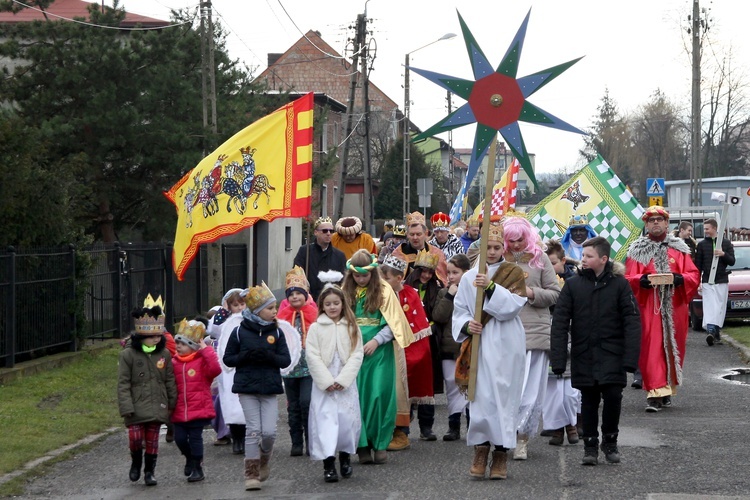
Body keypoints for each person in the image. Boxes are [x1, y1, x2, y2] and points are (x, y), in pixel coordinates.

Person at [551, 237, 641, 465]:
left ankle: (610, 442)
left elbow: (632, 320)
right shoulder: (573, 285)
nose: (583, 260)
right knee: (588, 400)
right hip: (584, 353)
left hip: (613, 353)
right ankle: (590, 446)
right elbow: (560, 322)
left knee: (613, 397)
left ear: (603, 259)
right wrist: (558, 359)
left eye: (588, 256)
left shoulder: (620, 285)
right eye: (582, 255)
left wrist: (631, 359)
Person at [452, 223, 528, 480]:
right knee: (481, 398)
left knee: (504, 397)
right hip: (481, 342)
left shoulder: (513, 272)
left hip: (506, 340)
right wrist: (466, 324)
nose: (493, 252)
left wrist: (492, 288)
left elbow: (515, 305)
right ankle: (480, 450)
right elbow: (459, 309)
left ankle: (501, 454)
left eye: (497, 247)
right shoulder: (467, 277)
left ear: (503, 248)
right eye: (488, 247)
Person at [341, 250, 413, 465]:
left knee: (379, 397)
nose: (361, 280)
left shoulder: (384, 291)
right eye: (357, 276)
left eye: (365, 275)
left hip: (379, 353)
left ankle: (380, 443)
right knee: (358, 398)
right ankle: (362, 445)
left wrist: (376, 341)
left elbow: (394, 324)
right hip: (353, 351)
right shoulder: (345, 290)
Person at [625, 206, 700, 412]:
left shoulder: (680, 249)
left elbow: (693, 275)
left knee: (673, 346)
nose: (656, 223)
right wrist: (641, 281)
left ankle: (667, 389)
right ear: (646, 225)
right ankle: (654, 392)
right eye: (651, 220)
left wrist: (679, 279)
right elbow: (628, 278)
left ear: (667, 223)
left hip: (675, 306)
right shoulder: (637, 250)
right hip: (649, 307)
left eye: (659, 219)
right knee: (651, 346)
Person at [223, 282, 292, 491]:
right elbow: (228, 359)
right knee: (253, 430)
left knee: (269, 432)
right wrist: (245, 356)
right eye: (270, 308)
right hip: (247, 388)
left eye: (274, 308)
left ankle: (263, 459)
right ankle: (251, 474)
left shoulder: (277, 332)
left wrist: (270, 356)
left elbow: (285, 360)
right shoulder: (238, 332)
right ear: (257, 310)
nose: (274, 311)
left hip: (269, 388)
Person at [502, 216, 560, 461]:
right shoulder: (497, 257)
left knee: (529, 391)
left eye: (520, 240)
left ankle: (522, 438)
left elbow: (556, 293)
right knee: (506, 388)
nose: (516, 245)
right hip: (503, 332)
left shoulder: (540, 258)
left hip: (534, 334)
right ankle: (504, 436)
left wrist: (529, 293)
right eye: (511, 240)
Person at [306, 283, 364, 483]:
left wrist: (343, 379)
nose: (332, 307)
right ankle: (328, 464)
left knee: (346, 421)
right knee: (325, 421)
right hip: (325, 383)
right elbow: (312, 356)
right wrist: (326, 380)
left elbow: (357, 354)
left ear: (342, 304)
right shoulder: (315, 328)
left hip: (345, 382)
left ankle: (345, 457)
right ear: (322, 305)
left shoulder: (352, 326)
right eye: (328, 304)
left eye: (336, 303)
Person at [118, 302, 177, 487]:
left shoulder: (165, 354)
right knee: (135, 438)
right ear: (141, 336)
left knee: (152, 440)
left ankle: (149, 471)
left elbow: (169, 379)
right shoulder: (128, 355)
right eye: (152, 337)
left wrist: (171, 402)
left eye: (159, 336)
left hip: (158, 403)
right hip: (136, 405)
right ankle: (136, 462)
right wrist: (126, 406)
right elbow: (123, 383)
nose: (156, 340)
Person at [380, 254, 434, 450]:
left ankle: (401, 433)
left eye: (386, 278)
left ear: (398, 278)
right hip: (382, 349)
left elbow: (416, 326)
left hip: (403, 351)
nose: (382, 282)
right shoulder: (379, 293)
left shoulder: (409, 294)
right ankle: (383, 431)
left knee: (401, 391)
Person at [171, 319, 222, 482]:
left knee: (195, 439)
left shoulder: (201, 362)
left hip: (198, 409)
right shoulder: (173, 363)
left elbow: (215, 369)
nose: (178, 346)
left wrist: (206, 350)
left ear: (193, 346)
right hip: (179, 410)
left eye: (183, 344)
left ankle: (198, 467)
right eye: (177, 342)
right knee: (179, 439)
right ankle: (190, 458)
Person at [542, 239, 581, 446]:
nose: (550, 267)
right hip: (549, 336)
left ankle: (573, 423)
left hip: (571, 336)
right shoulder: (542, 281)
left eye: (553, 263)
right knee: (552, 391)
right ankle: (558, 427)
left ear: (563, 261)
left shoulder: (575, 281)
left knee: (571, 392)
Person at [403, 249, 445, 440]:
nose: (426, 275)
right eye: (423, 271)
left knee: (427, 384)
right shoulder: (404, 290)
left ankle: (426, 427)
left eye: (430, 272)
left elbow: (438, 315)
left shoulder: (437, 289)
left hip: (429, 341)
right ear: (416, 271)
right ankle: (403, 426)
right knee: (405, 382)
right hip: (407, 340)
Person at [277, 266, 318, 456]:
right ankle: (296, 441)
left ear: (305, 294)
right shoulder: (282, 317)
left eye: (298, 293)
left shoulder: (314, 313)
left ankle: (311, 440)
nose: (294, 297)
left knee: (307, 402)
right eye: (291, 294)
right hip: (290, 368)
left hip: (309, 367)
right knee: (293, 405)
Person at [432, 253, 471, 441]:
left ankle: (472, 423)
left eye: (456, 272)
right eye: (449, 273)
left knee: (469, 384)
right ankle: (453, 424)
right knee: (451, 383)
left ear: (466, 272)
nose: (451, 276)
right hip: (449, 346)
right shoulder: (443, 292)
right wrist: (449, 295)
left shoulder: (473, 292)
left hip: (468, 345)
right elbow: (439, 316)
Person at [208, 289, 246, 452]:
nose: (239, 308)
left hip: (248, 366)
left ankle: (249, 436)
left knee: (249, 402)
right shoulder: (226, 321)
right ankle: (235, 437)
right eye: (235, 305)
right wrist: (223, 311)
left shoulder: (252, 318)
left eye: (242, 304)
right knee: (232, 404)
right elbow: (214, 330)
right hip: (230, 369)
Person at [695, 218, 735, 346]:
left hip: (721, 280)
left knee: (719, 307)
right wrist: (697, 282)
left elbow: (732, 261)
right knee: (710, 306)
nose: (705, 231)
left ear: (714, 228)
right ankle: (711, 330)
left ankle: (715, 333)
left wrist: (723, 254)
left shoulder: (726, 243)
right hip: (707, 281)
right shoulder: (701, 245)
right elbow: (698, 265)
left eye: (707, 228)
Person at [294, 216, 347, 301]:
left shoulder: (339, 256)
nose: (328, 233)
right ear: (316, 232)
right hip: (310, 301)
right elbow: (297, 274)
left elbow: (344, 281)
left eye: (331, 231)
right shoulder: (305, 251)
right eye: (325, 231)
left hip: (331, 302)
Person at [391, 211, 448, 285]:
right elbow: (392, 280)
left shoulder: (436, 253)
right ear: (407, 235)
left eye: (418, 234)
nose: (415, 237)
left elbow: (442, 278)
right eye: (412, 234)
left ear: (425, 234)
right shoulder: (399, 253)